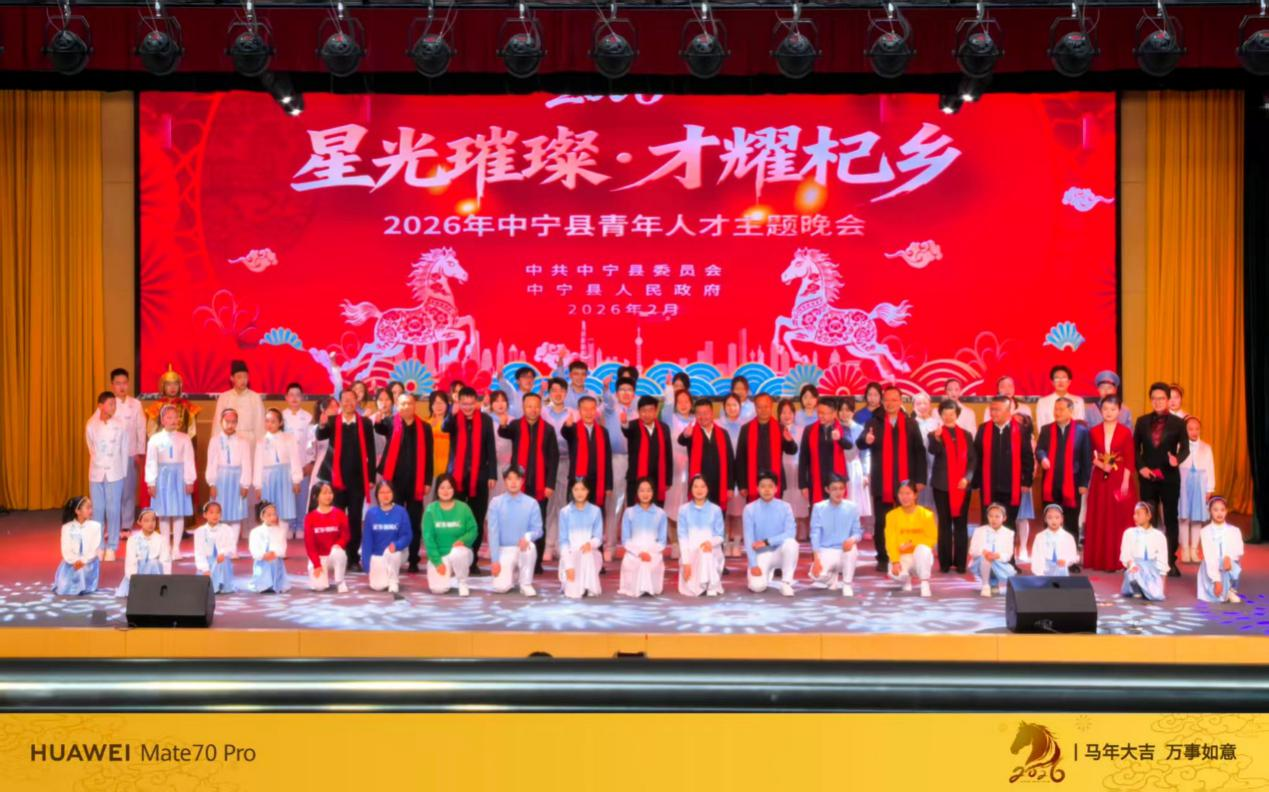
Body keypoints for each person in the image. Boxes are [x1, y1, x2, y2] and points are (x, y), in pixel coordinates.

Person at [858, 386, 927, 571]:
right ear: (882, 401)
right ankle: (883, 557)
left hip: (906, 482)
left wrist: (920, 479)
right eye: (887, 400)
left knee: (906, 521)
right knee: (882, 522)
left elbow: (919, 452)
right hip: (882, 481)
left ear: (901, 401)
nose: (890, 403)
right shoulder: (873, 422)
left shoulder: (911, 423)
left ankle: (906, 556)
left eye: (894, 399)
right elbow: (860, 443)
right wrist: (866, 440)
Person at [497, 393, 560, 574]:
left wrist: (550, 484)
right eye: (529, 406)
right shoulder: (516, 425)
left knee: (538, 524)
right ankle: (517, 559)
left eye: (536, 406)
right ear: (523, 407)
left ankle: (536, 562)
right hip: (519, 485)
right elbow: (504, 432)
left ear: (541, 408)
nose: (533, 409)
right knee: (517, 522)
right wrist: (503, 424)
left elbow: (553, 459)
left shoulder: (548, 429)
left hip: (540, 485)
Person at [315, 388, 377, 571]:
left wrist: (371, 477)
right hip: (336, 479)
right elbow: (320, 435)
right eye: (345, 400)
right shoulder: (333, 421)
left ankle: (353, 558)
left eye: (352, 399)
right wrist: (322, 425)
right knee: (337, 519)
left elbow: (371, 451)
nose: (348, 403)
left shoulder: (365, 423)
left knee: (355, 519)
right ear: (340, 402)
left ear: (357, 401)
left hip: (358, 480)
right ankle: (337, 555)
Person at [1133, 381, 1190, 577]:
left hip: (1169, 477)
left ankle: (1170, 560)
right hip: (1147, 476)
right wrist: (1141, 467)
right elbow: (1134, 449)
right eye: (1154, 398)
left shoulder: (1178, 423)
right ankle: (1148, 558)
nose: (1157, 402)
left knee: (1171, 518)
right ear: (1150, 400)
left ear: (1168, 400)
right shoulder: (1141, 421)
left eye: (1162, 398)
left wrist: (1177, 459)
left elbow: (1185, 448)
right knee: (1148, 518)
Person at [375, 393, 434, 573]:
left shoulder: (424, 427)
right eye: (402, 404)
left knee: (414, 522)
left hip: (416, 482)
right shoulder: (390, 423)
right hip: (394, 483)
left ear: (415, 405)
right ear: (397, 406)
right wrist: (378, 419)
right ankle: (394, 557)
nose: (406, 407)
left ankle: (413, 559)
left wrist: (427, 480)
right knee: (394, 521)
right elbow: (379, 428)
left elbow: (429, 455)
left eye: (409, 403)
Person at [974, 396, 1035, 560]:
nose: (993, 413)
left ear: (1009, 412)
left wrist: (1027, 481)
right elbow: (976, 456)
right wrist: (975, 481)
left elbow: (1028, 457)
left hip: (1012, 486)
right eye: (992, 409)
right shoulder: (983, 429)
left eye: (998, 410)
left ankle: (1009, 561)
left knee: (1009, 525)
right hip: (989, 485)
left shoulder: (1020, 430)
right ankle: (986, 561)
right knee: (988, 523)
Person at [444, 386, 497, 572]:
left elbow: (491, 447)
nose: (467, 407)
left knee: (476, 519)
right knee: (455, 519)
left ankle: (472, 561)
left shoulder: (486, 420)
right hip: (456, 478)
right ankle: (454, 559)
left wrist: (492, 474)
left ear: (477, 403)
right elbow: (444, 428)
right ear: (458, 402)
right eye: (463, 404)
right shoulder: (453, 418)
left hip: (480, 477)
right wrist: (451, 414)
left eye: (470, 404)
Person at [1083, 396, 1138, 572]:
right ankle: (1100, 559)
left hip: (1120, 477)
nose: (1109, 412)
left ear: (1119, 411)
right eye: (1105, 409)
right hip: (1100, 478)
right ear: (1100, 410)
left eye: (1113, 409)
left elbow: (1129, 458)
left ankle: (1120, 560)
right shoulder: (1093, 431)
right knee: (1100, 516)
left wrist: (1126, 481)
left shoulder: (1125, 432)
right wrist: (1101, 465)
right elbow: (1089, 455)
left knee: (1120, 518)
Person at [1035, 397, 1092, 558]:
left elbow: (1086, 459)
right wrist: (1043, 458)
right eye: (1055, 409)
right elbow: (1039, 449)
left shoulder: (1082, 431)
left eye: (1061, 409)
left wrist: (1084, 483)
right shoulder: (1046, 429)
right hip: (1050, 484)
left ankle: (1071, 559)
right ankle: (1048, 557)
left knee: (1071, 522)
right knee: (1049, 520)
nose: (1057, 412)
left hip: (1073, 484)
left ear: (1070, 411)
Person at [927, 399, 978, 574]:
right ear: (940, 415)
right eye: (945, 413)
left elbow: (972, 460)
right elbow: (933, 451)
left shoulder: (966, 435)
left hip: (962, 485)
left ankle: (961, 563)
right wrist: (937, 438)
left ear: (957, 415)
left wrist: (967, 478)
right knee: (944, 524)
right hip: (942, 485)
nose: (948, 416)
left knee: (961, 524)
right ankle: (945, 563)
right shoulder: (934, 434)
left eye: (952, 413)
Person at [211, 360, 266, 518]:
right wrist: (216, 445)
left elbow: (260, 426)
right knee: (228, 484)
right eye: (239, 377)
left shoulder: (255, 398)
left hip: (250, 443)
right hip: (228, 444)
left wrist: (261, 450)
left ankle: (248, 523)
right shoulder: (224, 398)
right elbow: (217, 424)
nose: (243, 380)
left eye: (245, 377)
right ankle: (226, 519)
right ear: (232, 378)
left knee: (247, 481)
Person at [559, 396, 614, 549]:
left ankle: (597, 554)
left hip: (598, 483)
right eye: (585, 409)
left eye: (592, 409)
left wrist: (608, 485)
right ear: (579, 411)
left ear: (596, 410)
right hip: (577, 483)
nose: (589, 412)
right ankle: (573, 551)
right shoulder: (573, 429)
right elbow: (565, 432)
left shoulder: (603, 432)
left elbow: (608, 459)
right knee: (574, 518)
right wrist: (567, 425)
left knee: (597, 519)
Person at [144, 404, 197, 561]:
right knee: (164, 514)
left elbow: (189, 460)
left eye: (176, 417)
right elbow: (151, 462)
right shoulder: (155, 439)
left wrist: (189, 480)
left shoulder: (184, 438)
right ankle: (166, 547)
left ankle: (176, 548)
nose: (173, 420)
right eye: (169, 417)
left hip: (179, 477)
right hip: (163, 478)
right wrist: (151, 482)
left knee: (178, 512)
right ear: (162, 420)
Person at [254, 408, 304, 558]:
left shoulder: (289, 438)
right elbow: (258, 464)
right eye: (267, 421)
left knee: (283, 513)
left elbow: (294, 459)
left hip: (284, 477)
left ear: (280, 422)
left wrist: (296, 479)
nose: (269, 424)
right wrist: (258, 485)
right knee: (269, 513)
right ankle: (270, 547)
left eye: (273, 421)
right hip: (268, 479)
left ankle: (281, 548)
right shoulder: (261, 441)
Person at [487, 466, 544, 596]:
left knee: (530, 547)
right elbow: (493, 533)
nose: (513, 482)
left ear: (522, 481)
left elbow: (538, 530)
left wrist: (527, 537)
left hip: (522, 548)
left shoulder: (532, 503)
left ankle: (525, 583)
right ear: (504, 481)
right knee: (501, 588)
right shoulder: (496, 503)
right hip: (504, 550)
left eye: (517, 479)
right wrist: (495, 560)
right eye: (509, 479)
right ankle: (514, 573)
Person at [735, 393, 798, 505]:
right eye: (760, 407)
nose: (763, 410)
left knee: (776, 514)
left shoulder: (780, 428)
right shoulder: (746, 429)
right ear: (755, 408)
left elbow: (792, 451)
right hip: (752, 482)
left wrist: (790, 441)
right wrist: (742, 485)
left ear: (771, 406)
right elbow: (740, 459)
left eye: (766, 406)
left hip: (775, 482)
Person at [86, 391, 127, 561]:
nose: (113, 407)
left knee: (113, 510)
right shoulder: (91, 424)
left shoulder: (120, 425)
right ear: (100, 406)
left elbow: (124, 449)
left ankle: (112, 546)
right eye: (110, 404)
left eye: (114, 404)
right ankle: (99, 546)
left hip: (115, 472)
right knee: (97, 510)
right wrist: (98, 463)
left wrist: (123, 473)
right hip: (96, 473)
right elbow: (91, 447)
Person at [743, 472, 799, 596]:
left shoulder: (785, 507)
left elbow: (791, 533)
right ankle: (766, 572)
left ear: (776, 488)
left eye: (770, 486)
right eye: (763, 486)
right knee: (757, 587)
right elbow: (748, 539)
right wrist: (753, 564)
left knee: (791, 543)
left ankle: (786, 583)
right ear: (757, 489)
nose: (767, 490)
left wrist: (767, 542)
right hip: (761, 554)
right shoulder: (749, 509)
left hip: (780, 552)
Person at [206, 408, 252, 559]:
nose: (230, 425)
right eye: (227, 422)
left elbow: (246, 463)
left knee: (235, 515)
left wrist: (245, 484)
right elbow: (211, 462)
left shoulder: (243, 442)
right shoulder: (214, 440)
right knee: (219, 514)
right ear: (221, 422)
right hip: (221, 479)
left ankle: (233, 548)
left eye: (234, 422)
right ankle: (220, 547)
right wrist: (212, 483)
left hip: (236, 479)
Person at [601, 376, 638, 562]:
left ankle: (633, 547)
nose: (626, 393)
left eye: (629, 390)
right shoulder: (611, 409)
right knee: (614, 504)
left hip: (635, 461)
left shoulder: (638, 412)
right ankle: (610, 546)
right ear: (616, 393)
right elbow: (607, 400)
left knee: (633, 506)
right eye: (622, 389)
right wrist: (606, 388)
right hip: (615, 460)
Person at [108, 368, 148, 540]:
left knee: (128, 491)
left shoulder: (136, 404)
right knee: (113, 492)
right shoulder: (108, 403)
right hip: (112, 456)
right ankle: (113, 525)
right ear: (112, 385)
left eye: (124, 383)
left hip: (131, 453)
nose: (122, 387)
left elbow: (141, 429)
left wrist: (140, 452)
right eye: (118, 383)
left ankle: (126, 525)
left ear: (128, 383)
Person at [422, 474, 478, 596]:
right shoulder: (431, 510)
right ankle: (448, 574)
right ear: (437, 490)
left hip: (460, 553)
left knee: (457, 552)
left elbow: (473, 530)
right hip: (440, 555)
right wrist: (437, 562)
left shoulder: (463, 508)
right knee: (438, 590)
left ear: (454, 489)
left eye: (449, 487)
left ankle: (462, 582)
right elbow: (428, 538)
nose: (446, 491)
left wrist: (463, 540)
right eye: (442, 487)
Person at [542, 378, 579, 561]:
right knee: (549, 505)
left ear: (566, 393)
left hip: (567, 462)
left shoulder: (574, 414)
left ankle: (561, 545)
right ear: (549, 393)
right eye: (554, 390)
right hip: (548, 463)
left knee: (564, 505)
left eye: (561, 390)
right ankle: (548, 545)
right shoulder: (543, 412)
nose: (557, 394)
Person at [808, 476, 862, 597]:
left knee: (852, 548)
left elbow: (858, 532)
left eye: (841, 488)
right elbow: (815, 534)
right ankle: (832, 578)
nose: (838, 492)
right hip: (826, 549)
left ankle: (847, 584)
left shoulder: (852, 507)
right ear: (827, 490)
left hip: (844, 549)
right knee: (816, 575)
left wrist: (852, 539)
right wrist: (816, 559)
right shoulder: (818, 507)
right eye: (834, 489)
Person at [623, 395, 674, 514]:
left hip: (658, 480)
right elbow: (626, 431)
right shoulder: (633, 426)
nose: (647, 414)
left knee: (656, 514)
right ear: (638, 412)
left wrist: (668, 480)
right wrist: (624, 424)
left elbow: (668, 455)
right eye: (643, 410)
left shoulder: (664, 428)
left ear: (656, 411)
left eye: (650, 410)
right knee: (635, 514)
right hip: (636, 479)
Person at [885, 480, 936, 597]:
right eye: (901, 493)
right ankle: (906, 579)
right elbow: (890, 541)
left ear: (915, 495)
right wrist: (895, 561)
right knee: (895, 574)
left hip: (920, 555)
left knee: (924, 549)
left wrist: (912, 544)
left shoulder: (926, 515)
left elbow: (931, 538)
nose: (904, 497)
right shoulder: (891, 516)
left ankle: (924, 582)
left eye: (908, 493)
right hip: (902, 555)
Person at [677, 475, 726, 597]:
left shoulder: (716, 509)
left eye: (703, 486)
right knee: (692, 587)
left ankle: (711, 585)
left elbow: (720, 536)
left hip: (711, 550)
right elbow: (682, 538)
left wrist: (711, 543)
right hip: (691, 553)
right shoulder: (683, 510)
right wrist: (686, 562)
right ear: (691, 489)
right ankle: (706, 584)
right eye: (696, 486)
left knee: (706, 552)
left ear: (708, 488)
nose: (699, 490)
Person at [618, 478, 668, 597]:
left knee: (647, 563)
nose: (645, 494)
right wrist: (639, 552)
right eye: (642, 490)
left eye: (648, 490)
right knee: (640, 562)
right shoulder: (629, 512)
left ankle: (646, 588)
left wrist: (649, 552)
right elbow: (625, 540)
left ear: (653, 492)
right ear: (637, 492)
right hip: (634, 553)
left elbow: (662, 542)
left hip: (653, 553)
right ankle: (642, 588)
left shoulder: (660, 513)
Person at [362, 481, 413, 594]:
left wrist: (397, 545)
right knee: (378, 586)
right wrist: (367, 564)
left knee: (392, 553)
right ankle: (385, 576)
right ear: (377, 495)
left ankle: (394, 581)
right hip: (378, 555)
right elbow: (367, 541)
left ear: (393, 493)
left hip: (397, 552)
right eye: (382, 492)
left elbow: (407, 535)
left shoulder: (401, 511)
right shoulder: (371, 513)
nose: (385, 495)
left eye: (388, 492)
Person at [558, 477, 605, 599]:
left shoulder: (595, 511)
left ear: (588, 491)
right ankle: (576, 584)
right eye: (576, 489)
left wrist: (591, 544)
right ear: (571, 491)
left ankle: (589, 587)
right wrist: (568, 565)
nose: (579, 493)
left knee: (587, 554)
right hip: (571, 554)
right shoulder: (565, 512)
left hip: (590, 552)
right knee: (572, 591)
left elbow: (598, 537)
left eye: (583, 489)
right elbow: (563, 541)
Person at [1178, 416, 1216, 564]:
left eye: (1197, 429)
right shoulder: (1179, 446)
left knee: (1196, 517)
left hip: (1199, 484)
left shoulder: (1206, 448)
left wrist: (1209, 488)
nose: (1194, 432)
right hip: (1183, 483)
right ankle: (1185, 549)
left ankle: (1194, 548)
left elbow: (1210, 469)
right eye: (1190, 429)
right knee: (1183, 516)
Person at [661, 381, 696, 540]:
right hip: (674, 467)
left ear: (691, 404)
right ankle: (674, 541)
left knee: (689, 501)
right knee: (672, 503)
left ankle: (687, 539)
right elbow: (667, 406)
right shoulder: (671, 419)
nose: (683, 405)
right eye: (679, 401)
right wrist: (669, 388)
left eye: (686, 401)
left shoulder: (696, 420)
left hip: (692, 467)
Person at [303, 482, 350, 593]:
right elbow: (309, 545)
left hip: (334, 554)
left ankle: (340, 581)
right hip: (319, 557)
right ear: (316, 496)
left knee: (339, 553)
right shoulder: (310, 517)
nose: (328, 496)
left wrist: (339, 544)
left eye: (330, 493)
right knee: (319, 588)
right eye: (324, 493)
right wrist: (316, 564)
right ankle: (321, 575)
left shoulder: (340, 514)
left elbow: (346, 535)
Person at [281, 382, 315, 534]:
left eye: (298, 395)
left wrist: (310, 462)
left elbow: (312, 442)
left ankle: (301, 525)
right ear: (286, 397)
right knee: (287, 497)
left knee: (302, 496)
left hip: (303, 463)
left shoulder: (308, 418)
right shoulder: (281, 417)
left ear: (302, 397)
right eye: (291, 395)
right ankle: (289, 526)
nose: (294, 398)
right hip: (285, 465)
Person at [717, 393, 748, 557]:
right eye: (728, 405)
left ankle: (736, 543)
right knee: (725, 511)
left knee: (738, 511)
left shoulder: (746, 425)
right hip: (723, 471)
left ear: (740, 407)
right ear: (724, 407)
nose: (731, 408)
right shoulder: (717, 424)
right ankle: (725, 542)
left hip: (741, 471)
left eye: (734, 405)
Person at [53, 496, 103, 596]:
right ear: (77, 511)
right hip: (71, 562)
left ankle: (85, 584)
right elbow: (66, 549)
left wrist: (83, 561)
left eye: (91, 507)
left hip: (88, 562)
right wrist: (75, 561)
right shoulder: (67, 527)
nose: (91, 511)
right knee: (66, 582)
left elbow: (94, 548)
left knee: (82, 571)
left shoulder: (96, 526)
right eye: (87, 508)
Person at [1197, 496, 1243, 604]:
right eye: (1215, 510)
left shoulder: (1234, 530)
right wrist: (1216, 580)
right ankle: (1222, 590)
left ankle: (1230, 589)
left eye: (1222, 510)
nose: (1219, 513)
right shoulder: (1205, 531)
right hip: (1212, 567)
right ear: (1210, 511)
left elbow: (1239, 549)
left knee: (1232, 563)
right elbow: (1209, 557)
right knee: (1216, 597)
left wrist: (1228, 557)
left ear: (1226, 511)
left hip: (1228, 564)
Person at [116, 508, 170, 598]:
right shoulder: (133, 540)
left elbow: (166, 561)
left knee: (153, 563)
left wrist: (167, 581)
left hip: (156, 575)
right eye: (146, 521)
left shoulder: (161, 539)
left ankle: (155, 589)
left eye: (153, 520)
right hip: (138, 575)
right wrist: (135, 581)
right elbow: (130, 562)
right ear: (139, 522)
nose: (150, 523)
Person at [1120, 501, 1168, 601]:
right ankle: (1136, 588)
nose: (1135, 517)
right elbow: (1126, 554)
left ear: (1148, 516)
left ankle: (1148, 588)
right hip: (1136, 568)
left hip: (1152, 570)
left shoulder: (1159, 536)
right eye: (1134, 513)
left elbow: (1163, 559)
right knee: (1134, 573)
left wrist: (1162, 583)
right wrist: (1131, 565)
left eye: (1138, 514)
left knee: (1156, 596)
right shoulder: (1129, 533)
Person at [777, 398, 810, 539]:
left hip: (798, 469)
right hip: (782, 469)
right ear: (779, 414)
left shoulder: (802, 430)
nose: (787, 415)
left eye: (790, 412)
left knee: (799, 500)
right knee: (785, 499)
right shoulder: (775, 429)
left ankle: (801, 532)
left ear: (794, 414)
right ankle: (786, 532)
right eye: (783, 412)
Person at [968, 503, 1016, 597]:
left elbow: (1008, 555)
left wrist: (997, 555)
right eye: (990, 516)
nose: (993, 519)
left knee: (992, 559)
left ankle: (994, 583)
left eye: (997, 516)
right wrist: (983, 552)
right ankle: (985, 585)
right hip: (981, 562)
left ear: (1004, 518)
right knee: (986, 557)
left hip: (999, 563)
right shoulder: (979, 530)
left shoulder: (1009, 533)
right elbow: (972, 551)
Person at [193, 501, 237, 593]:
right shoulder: (200, 531)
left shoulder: (227, 529)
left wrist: (223, 553)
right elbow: (199, 552)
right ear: (205, 515)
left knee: (223, 563)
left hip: (221, 560)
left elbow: (232, 547)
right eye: (211, 512)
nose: (215, 515)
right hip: (207, 563)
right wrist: (204, 568)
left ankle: (223, 585)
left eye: (218, 512)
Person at [248, 502, 290, 594]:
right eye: (269, 515)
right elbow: (254, 548)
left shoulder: (280, 531)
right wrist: (263, 555)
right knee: (265, 563)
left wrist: (275, 553)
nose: (272, 517)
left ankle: (276, 583)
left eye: (274, 514)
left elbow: (282, 547)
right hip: (262, 560)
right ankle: (263, 583)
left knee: (274, 561)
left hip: (275, 559)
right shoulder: (256, 532)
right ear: (262, 517)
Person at [1028, 505, 1079, 576]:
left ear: (1062, 519)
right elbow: (1036, 556)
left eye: (1057, 517)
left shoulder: (1068, 537)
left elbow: (1073, 556)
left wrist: (1066, 561)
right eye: (1050, 517)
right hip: (1044, 570)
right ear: (1045, 519)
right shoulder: (1040, 536)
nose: (1053, 520)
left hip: (1062, 570)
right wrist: (1039, 573)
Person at [911, 392, 940, 511]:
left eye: (925, 403)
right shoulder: (910, 423)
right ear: (913, 406)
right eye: (918, 403)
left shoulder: (937, 423)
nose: (922, 406)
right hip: (916, 468)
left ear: (930, 405)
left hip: (935, 468)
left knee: (934, 503)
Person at [488, 391, 514, 498]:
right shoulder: (487, 421)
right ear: (491, 404)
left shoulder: (513, 421)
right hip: (492, 467)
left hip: (510, 466)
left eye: (503, 400)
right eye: (496, 401)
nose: (500, 404)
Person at [427, 391, 452, 501]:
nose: (438, 406)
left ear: (447, 404)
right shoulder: (426, 424)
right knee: (429, 502)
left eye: (441, 402)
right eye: (435, 403)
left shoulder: (452, 424)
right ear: (431, 405)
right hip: (431, 470)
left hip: (448, 469)